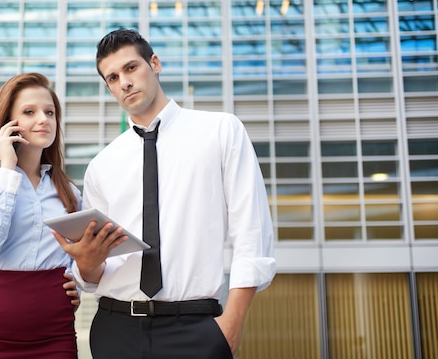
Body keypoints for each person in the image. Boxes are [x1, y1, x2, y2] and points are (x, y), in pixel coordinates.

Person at [52, 29, 276, 359]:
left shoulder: (220, 131)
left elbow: (252, 233)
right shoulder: (102, 166)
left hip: (197, 329)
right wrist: (86, 265)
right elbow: (97, 274)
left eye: (131, 68)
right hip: (116, 329)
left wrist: (232, 324)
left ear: (154, 63)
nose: (124, 82)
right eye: (112, 78)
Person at [0, 72, 82, 359]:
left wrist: (77, 279)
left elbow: (81, 251)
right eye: (30, 112)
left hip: (55, 334)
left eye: (49, 112)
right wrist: (8, 170)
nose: (44, 119)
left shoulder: (70, 192)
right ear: (7, 124)